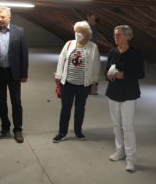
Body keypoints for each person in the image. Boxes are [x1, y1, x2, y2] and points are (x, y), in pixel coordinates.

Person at [0, 6, 28, 144]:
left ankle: (18, 129)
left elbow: (24, 54)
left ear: (9, 18)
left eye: (3, 17)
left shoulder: (19, 31)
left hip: (13, 73)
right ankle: (5, 127)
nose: (0, 19)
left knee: (16, 102)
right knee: (1, 103)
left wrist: (23, 73)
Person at [53, 21, 100, 143]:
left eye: (81, 32)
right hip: (67, 83)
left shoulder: (92, 47)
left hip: (83, 85)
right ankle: (62, 132)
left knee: (80, 108)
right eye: (76, 31)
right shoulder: (69, 44)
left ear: (87, 34)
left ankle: (78, 131)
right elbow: (61, 59)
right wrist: (58, 75)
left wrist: (95, 81)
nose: (78, 34)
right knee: (65, 108)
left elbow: (96, 65)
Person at [105, 25, 145, 172]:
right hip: (113, 92)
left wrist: (125, 75)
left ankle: (130, 158)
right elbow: (106, 71)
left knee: (127, 127)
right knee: (116, 125)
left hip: (129, 93)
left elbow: (141, 74)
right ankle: (120, 151)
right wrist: (109, 76)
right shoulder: (112, 52)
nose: (116, 37)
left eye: (119, 35)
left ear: (128, 37)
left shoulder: (135, 53)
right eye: (115, 35)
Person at [87, 12, 100, 95]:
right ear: (88, 17)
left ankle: (93, 88)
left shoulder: (94, 27)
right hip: (87, 50)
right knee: (89, 69)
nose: (92, 20)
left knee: (94, 69)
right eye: (91, 19)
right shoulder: (85, 27)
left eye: (94, 19)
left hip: (93, 50)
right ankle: (90, 89)